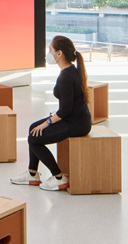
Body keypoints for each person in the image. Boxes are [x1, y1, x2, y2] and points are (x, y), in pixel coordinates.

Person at [11, 35, 92, 191]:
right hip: (72, 117)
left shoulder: (66, 76)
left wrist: (47, 122)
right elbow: (69, 105)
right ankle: (32, 173)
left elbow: (66, 110)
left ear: (59, 53)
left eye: (50, 50)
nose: (48, 53)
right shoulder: (69, 71)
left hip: (76, 123)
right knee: (33, 128)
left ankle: (59, 177)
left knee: (34, 138)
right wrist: (50, 118)